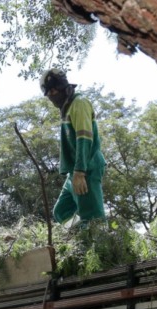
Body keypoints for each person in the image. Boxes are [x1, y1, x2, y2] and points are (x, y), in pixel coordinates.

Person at [41, 67, 107, 225]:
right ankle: (81, 236)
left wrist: (79, 172)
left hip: (86, 169)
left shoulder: (79, 103)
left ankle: (98, 243)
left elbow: (84, 138)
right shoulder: (67, 107)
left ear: (61, 87)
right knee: (61, 212)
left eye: (53, 91)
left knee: (92, 218)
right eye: (48, 93)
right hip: (73, 172)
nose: (51, 96)